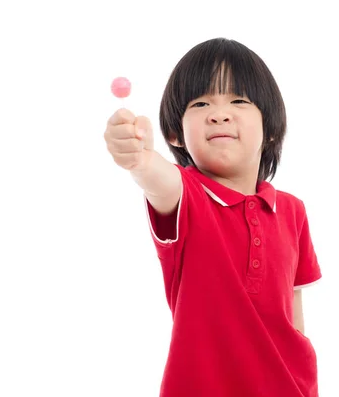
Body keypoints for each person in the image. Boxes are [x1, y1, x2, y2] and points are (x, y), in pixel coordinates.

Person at [104, 37, 322, 397]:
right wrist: (140, 160)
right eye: (201, 102)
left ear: (270, 128)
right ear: (175, 133)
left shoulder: (293, 210)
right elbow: (159, 181)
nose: (219, 113)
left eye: (239, 101)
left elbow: (294, 313)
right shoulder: (185, 195)